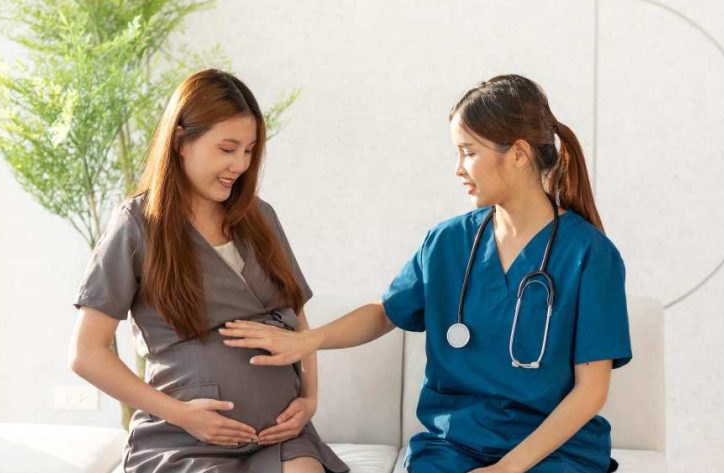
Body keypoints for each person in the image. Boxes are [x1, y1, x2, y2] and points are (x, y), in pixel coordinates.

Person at [219, 74, 632, 473]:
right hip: (453, 447)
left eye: (469, 152)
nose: (458, 168)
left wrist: (507, 469)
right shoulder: (447, 242)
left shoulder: (590, 256)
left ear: (519, 153)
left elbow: (590, 391)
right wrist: (309, 340)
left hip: (552, 453)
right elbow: (386, 312)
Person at [68, 68, 349, 473]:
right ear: (181, 141)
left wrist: (309, 399)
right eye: (227, 148)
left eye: (249, 151)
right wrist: (184, 416)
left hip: (277, 438)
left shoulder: (260, 217)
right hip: (184, 439)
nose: (239, 164)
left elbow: (295, 316)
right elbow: (86, 354)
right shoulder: (137, 225)